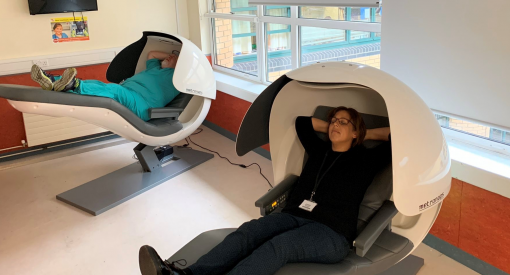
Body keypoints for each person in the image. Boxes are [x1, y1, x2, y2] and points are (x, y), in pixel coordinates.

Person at [138, 106, 392, 275]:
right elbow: (302, 123)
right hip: (293, 215)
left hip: (331, 233)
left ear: (357, 130)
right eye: (333, 120)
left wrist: (362, 134)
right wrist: (337, 129)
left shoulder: (366, 159)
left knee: (278, 246)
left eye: (344, 122)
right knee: (249, 231)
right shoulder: (319, 150)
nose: (335, 124)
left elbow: (396, 137)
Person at [30, 51, 180, 121]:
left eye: (174, 56)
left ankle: (72, 84)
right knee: (101, 86)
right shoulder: (154, 67)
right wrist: (168, 58)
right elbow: (152, 53)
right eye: (169, 55)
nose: (170, 56)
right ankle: (53, 82)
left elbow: (189, 67)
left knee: (113, 90)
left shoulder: (177, 77)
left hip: (143, 104)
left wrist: (176, 62)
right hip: (129, 91)